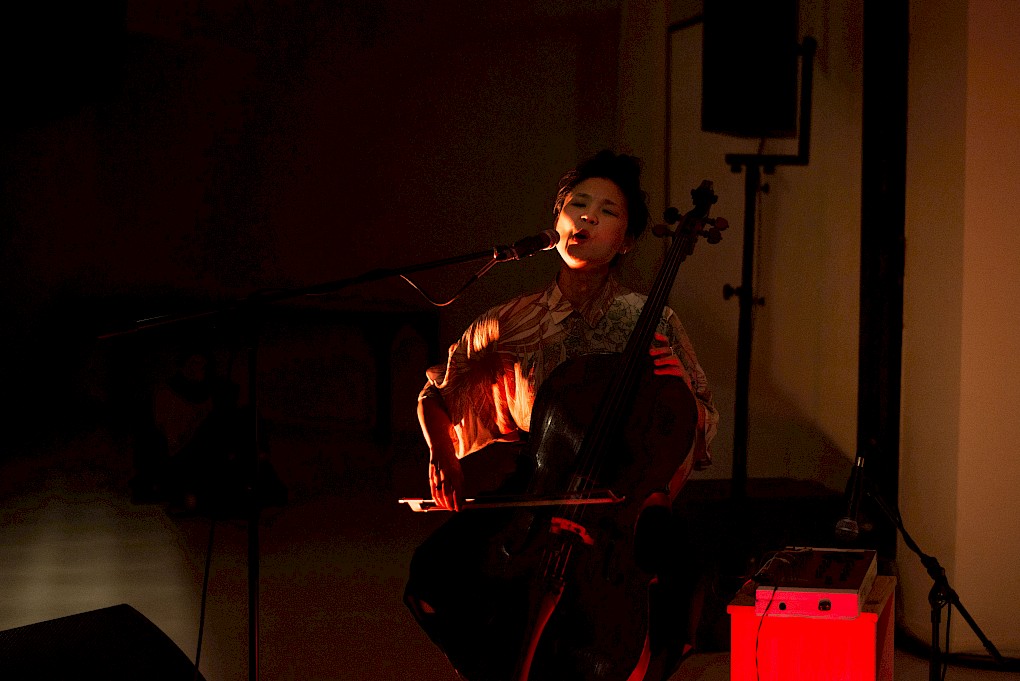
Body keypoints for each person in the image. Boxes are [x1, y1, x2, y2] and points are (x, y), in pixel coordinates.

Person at [405, 150, 719, 680]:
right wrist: (442, 454)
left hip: (623, 498)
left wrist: (683, 390)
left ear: (626, 241)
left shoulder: (654, 321)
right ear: (557, 221)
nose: (588, 217)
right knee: (432, 577)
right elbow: (435, 395)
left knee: (684, 585)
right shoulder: (512, 321)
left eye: (608, 211)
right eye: (578, 204)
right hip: (539, 487)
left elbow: (703, 418)